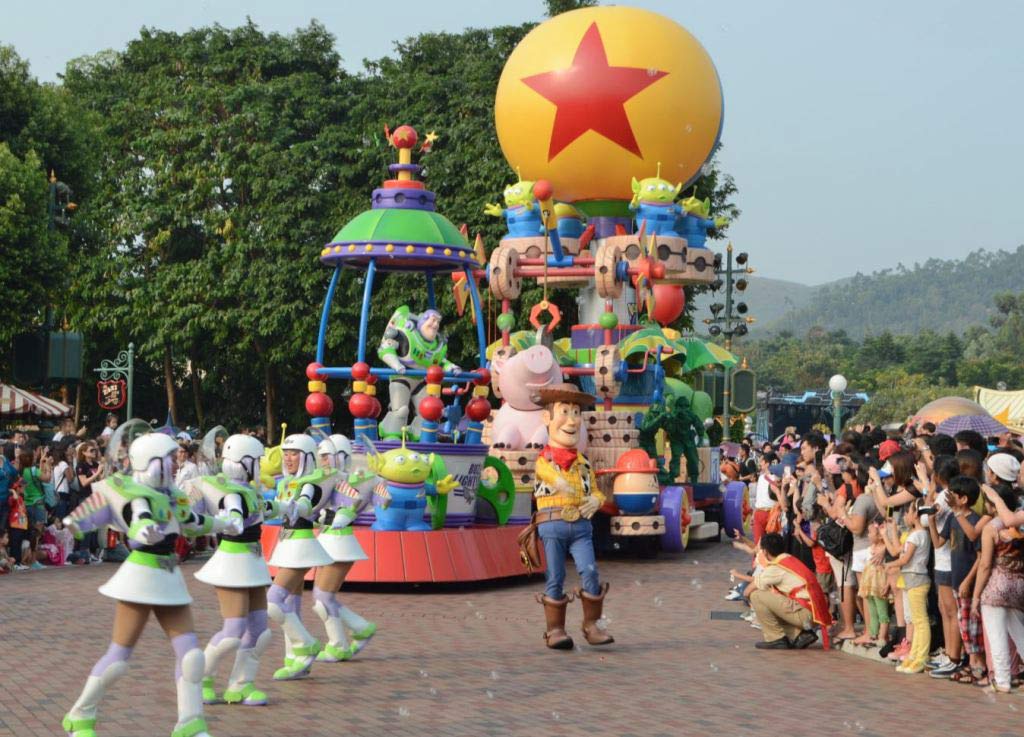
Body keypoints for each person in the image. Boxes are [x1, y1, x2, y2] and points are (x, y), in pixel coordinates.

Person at [62, 428, 235, 737]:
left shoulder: (172, 494)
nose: (175, 463)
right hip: (141, 575)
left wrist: (224, 523)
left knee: (192, 656)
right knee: (119, 658)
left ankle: (190, 723)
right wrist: (142, 531)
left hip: (169, 574)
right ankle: (80, 713)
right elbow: (136, 515)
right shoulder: (136, 494)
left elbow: (193, 523)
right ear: (152, 461)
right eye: (169, 458)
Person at [193, 433, 282, 707]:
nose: (260, 465)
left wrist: (291, 506)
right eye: (257, 460)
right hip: (232, 561)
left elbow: (265, 508)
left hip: (253, 561)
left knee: (259, 630)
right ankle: (201, 679)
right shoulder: (232, 492)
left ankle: (241, 684)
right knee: (233, 630)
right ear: (245, 462)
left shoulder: (248, 490)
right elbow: (233, 511)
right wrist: (231, 520)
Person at [532, 383, 612, 650]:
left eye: (576, 412)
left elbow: (598, 492)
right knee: (555, 575)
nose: (572, 420)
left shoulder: (584, 463)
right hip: (552, 522)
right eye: (564, 411)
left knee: (590, 571)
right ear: (548, 418)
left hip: (580, 526)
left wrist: (595, 500)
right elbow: (544, 473)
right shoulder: (545, 459)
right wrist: (559, 480)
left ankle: (592, 626)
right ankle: (555, 629)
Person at [267, 433, 336, 680]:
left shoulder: (309, 483)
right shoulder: (284, 483)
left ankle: (306, 645)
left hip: (301, 544)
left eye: (294, 453)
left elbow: (305, 505)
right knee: (290, 605)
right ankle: (296, 660)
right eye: (285, 453)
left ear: (306, 457)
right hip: (288, 542)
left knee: (273, 600)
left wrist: (283, 507)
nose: (288, 458)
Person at [312, 434, 383, 662]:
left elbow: (350, 508)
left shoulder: (351, 481)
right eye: (321, 457)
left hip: (340, 541)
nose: (322, 461)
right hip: (328, 539)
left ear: (339, 456)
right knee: (320, 596)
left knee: (323, 596)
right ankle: (356, 630)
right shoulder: (331, 479)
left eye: (326, 456)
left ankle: (340, 642)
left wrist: (334, 515)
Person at [973, 485, 1024, 693]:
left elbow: (985, 565)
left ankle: (1002, 679)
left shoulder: (992, 527)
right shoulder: (1019, 527)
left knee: (997, 634)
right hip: (1019, 584)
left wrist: (976, 595)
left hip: (996, 584)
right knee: (1019, 631)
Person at [748, 532, 832, 649]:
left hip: (805, 615)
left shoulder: (776, 567)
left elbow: (748, 591)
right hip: (812, 612)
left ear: (765, 552)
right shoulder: (789, 559)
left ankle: (776, 638)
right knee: (771, 600)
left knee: (756, 596)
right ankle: (799, 635)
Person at [883, 499, 931, 673]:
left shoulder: (917, 535)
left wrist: (890, 565)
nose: (905, 515)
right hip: (912, 579)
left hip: (916, 579)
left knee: (920, 621)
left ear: (916, 514)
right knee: (917, 621)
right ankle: (914, 655)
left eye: (908, 512)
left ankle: (920, 657)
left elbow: (904, 558)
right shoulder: (918, 534)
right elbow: (900, 552)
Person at [856, 522, 890, 646]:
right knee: (872, 611)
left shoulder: (885, 549)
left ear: (880, 536)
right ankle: (873, 634)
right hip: (869, 585)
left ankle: (882, 636)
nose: (868, 535)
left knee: (882, 611)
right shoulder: (869, 549)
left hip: (879, 584)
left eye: (871, 533)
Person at [76, 441, 105, 562]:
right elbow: (83, 482)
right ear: (84, 452)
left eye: (95, 450)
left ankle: (92, 551)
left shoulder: (96, 464)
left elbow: (100, 480)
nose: (94, 452)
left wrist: (101, 473)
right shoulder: (81, 466)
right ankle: (84, 552)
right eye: (91, 450)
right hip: (85, 496)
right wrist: (97, 473)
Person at [751, 452, 780, 544]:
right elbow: (758, 497)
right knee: (758, 543)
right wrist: (754, 513)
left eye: (762, 461)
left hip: (772, 513)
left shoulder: (777, 478)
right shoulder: (760, 477)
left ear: (767, 463)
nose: (760, 463)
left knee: (771, 544)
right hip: (759, 513)